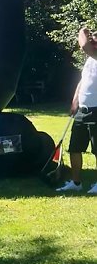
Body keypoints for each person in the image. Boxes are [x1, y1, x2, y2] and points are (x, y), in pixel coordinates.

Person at [57, 27, 97, 194]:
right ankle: (76, 182)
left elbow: (84, 46)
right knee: (75, 147)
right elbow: (83, 81)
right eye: (93, 39)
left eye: (95, 40)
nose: (93, 42)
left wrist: (83, 31)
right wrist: (75, 102)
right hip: (83, 109)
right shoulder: (90, 60)